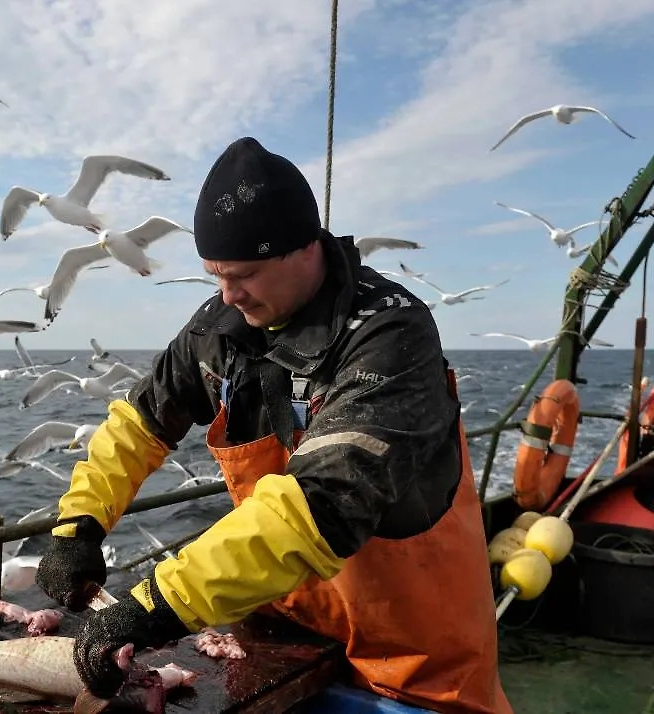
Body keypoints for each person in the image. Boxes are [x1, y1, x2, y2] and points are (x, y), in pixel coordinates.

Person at [35, 136, 512, 714]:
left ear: (305, 247)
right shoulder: (220, 328)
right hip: (279, 640)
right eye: (216, 275)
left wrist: (158, 603)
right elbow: (141, 423)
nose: (229, 294)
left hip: (412, 661)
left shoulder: (390, 334)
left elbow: (324, 502)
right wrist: (80, 525)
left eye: (246, 274)